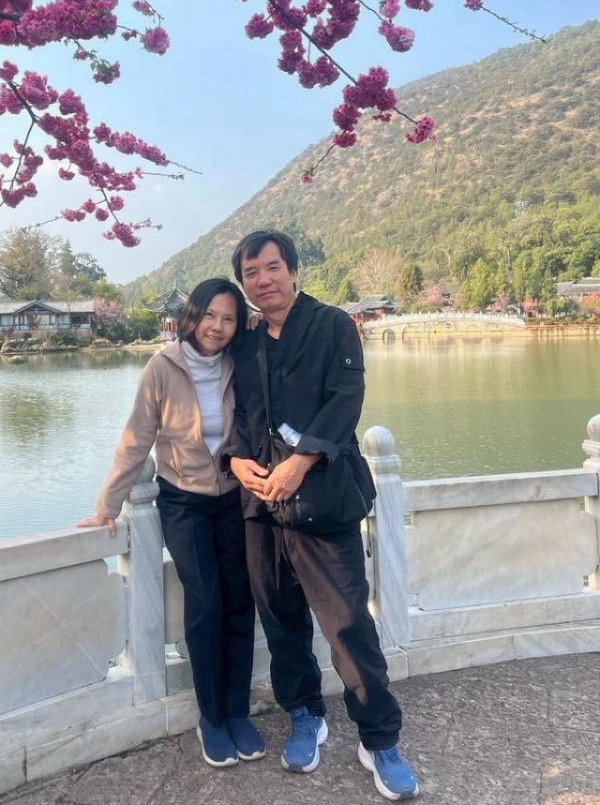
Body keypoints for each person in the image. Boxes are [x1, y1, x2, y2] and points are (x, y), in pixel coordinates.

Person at [226, 231, 419, 801]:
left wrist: (302, 460)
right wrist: (235, 459)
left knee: (348, 625)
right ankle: (305, 714)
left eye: (272, 267)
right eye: (251, 273)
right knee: (282, 621)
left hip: (323, 501)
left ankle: (379, 739)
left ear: (293, 270)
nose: (263, 280)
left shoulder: (333, 324)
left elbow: (345, 399)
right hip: (261, 506)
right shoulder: (246, 342)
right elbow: (239, 413)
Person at [77, 278, 265, 769]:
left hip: (235, 496)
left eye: (229, 319)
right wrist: (108, 504)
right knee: (205, 603)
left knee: (239, 600)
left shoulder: (239, 362)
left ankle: (239, 711)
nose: (218, 327)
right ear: (192, 316)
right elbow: (137, 438)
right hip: (184, 502)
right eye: (210, 316)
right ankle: (212, 717)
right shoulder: (162, 367)